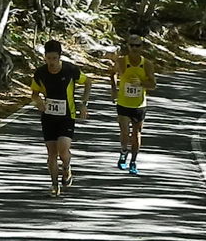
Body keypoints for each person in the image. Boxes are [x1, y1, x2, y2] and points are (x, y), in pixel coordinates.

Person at [31, 39, 92, 197]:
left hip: (67, 116)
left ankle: (66, 167)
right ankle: (54, 184)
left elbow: (88, 82)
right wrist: (38, 102)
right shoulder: (40, 73)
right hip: (48, 117)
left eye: (54, 58)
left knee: (63, 150)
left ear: (60, 57)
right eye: (48, 58)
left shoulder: (70, 70)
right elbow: (34, 93)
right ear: (44, 57)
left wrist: (83, 104)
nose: (51, 62)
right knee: (51, 153)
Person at [107, 32, 156, 175]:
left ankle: (133, 162)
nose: (134, 48)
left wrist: (141, 83)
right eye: (132, 45)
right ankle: (123, 152)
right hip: (123, 103)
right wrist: (114, 89)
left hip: (139, 105)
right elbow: (112, 74)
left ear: (142, 47)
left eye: (137, 45)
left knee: (136, 134)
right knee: (124, 132)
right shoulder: (122, 61)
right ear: (128, 46)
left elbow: (153, 84)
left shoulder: (146, 64)